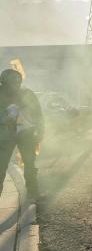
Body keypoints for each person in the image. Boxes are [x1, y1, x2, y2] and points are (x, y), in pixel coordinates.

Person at [0, 69, 44, 201]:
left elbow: (38, 114)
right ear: (3, 83)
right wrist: (5, 117)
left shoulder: (27, 94)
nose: (16, 85)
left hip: (26, 133)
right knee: (1, 167)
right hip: (5, 135)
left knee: (30, 163)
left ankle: (32, 193)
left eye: (18, 81)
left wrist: (41, 131)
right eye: (12, 82)